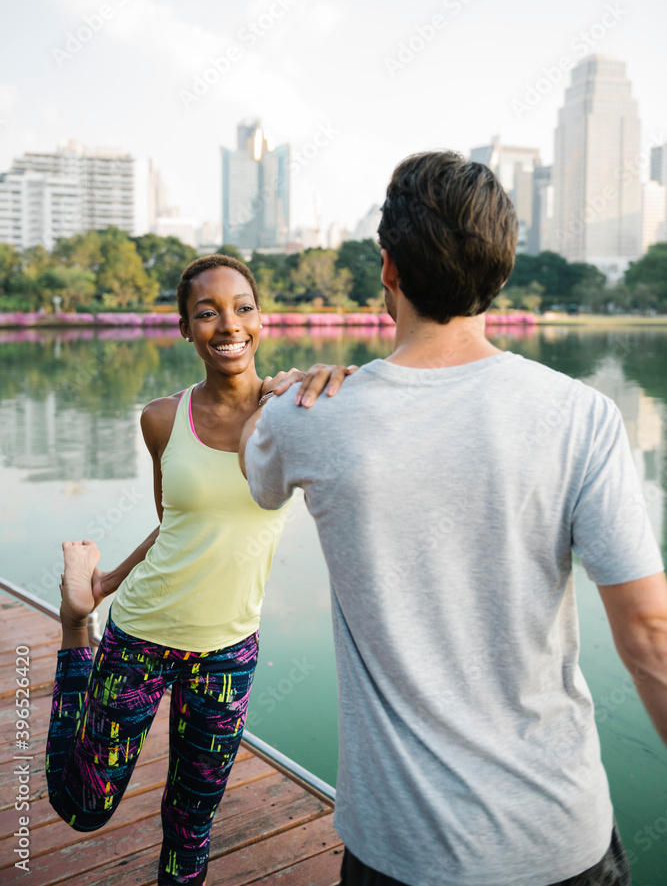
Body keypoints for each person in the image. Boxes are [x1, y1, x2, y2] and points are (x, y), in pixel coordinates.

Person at [239, 151, 667, 886]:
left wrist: (278, 390)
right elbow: (649, 636)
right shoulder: (583, 416)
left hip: (399, 852)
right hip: (560, 841)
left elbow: (255, 477)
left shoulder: (307, 417)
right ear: (499, 273)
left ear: (387, 269)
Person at [47, 253, 353, 886]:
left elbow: (382, 418)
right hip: (140, 639)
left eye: (242, 308)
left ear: (261, 319)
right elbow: (176, 525)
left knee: (190, 830)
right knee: (82, 806)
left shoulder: (296, 417)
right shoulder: (162, 418)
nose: (228, 325)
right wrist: (99, 591)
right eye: (207, 312)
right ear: (185, 327)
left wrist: (328, 378)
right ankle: (73, 630)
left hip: (225, 656)